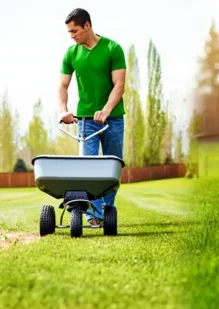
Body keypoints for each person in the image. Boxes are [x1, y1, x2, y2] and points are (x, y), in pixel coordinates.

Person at [58, 8, 126, 226]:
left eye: (74, 30)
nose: (72, 35)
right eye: (69, 32)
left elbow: (120, 84)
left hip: (113, 119)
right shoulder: (71, 53)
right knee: (87, 167)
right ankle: (93, 215)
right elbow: (63, 85)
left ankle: (107, 210)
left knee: (111, 168)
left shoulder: (113, 49)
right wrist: (63, 110)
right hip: (85, 120)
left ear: (87, 25)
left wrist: (106, 109)